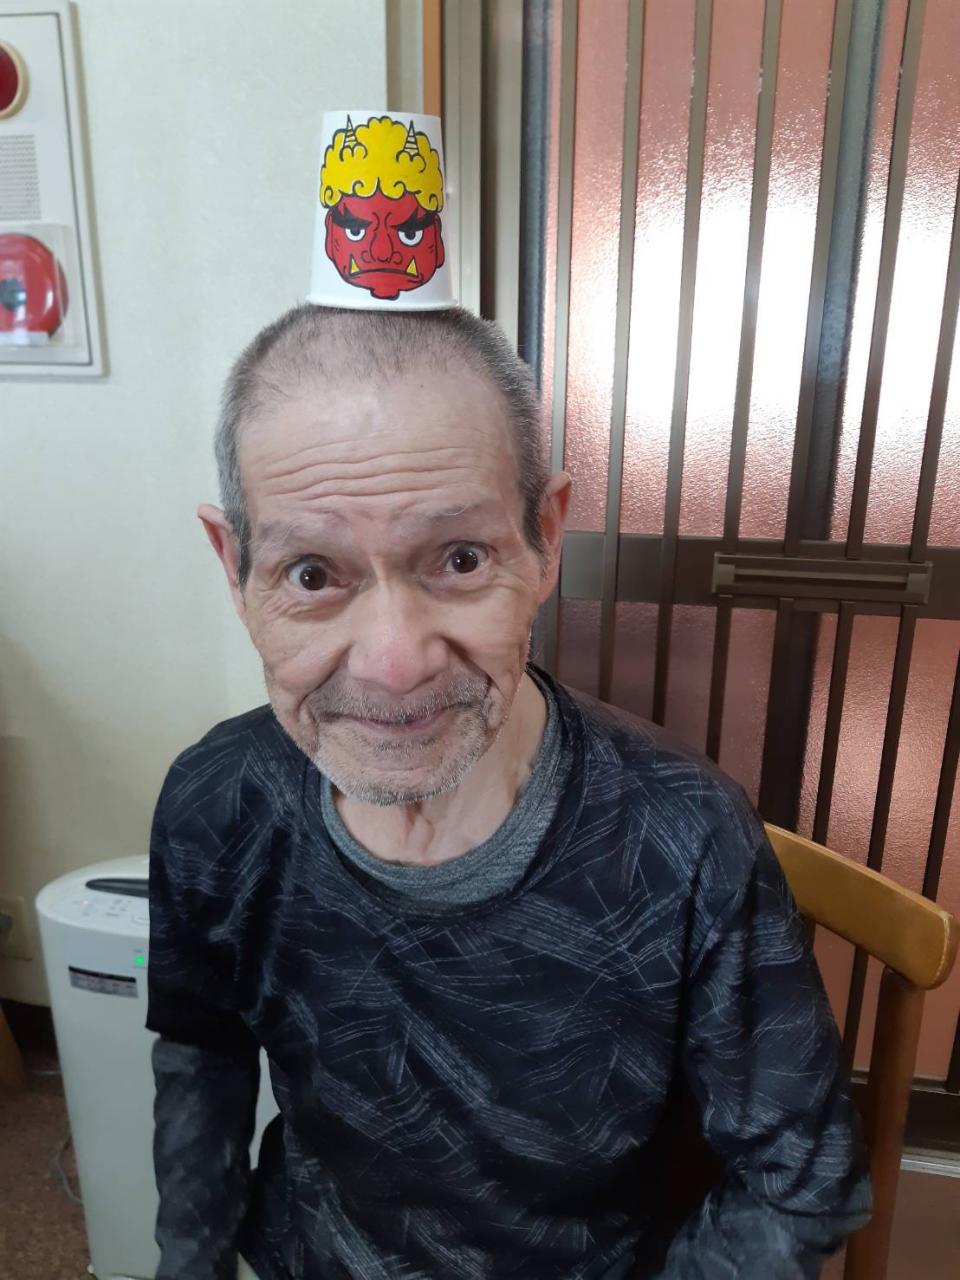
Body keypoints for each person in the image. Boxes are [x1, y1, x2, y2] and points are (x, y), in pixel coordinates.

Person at [147, 304, 871, 1280]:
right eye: (312, 572)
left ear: (545, 538)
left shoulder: (684, 838)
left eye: (459, 558)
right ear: (236, 569)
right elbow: (201, 1051)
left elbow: (799, 1177)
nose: (394, 664)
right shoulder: (217, 800)